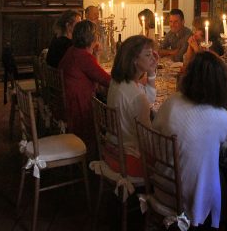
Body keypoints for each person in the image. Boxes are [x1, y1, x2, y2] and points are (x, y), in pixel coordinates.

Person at [153, 51, 227, 229]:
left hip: (161, 185)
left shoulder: (172, 103)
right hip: (188, 198)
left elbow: (156, 128)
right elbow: (221, 140)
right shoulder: (221, 116)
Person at [107, 35, 158, 177]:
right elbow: (149, 143)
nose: (153, 58)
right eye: (148, 55)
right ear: (134, 60)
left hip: (112, 150)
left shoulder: (117, 82)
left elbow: (148, 99)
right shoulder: (137, 97)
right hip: (129, 160)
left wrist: (152, 72)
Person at [59, 20, 111, 157]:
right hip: (80, 108)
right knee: (113, 107)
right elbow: (108, 81)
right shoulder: (83, 57)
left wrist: (96, 54)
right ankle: (104, 153)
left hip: (68, 102)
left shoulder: (73, 51)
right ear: (93, 38)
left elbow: (95, 72)